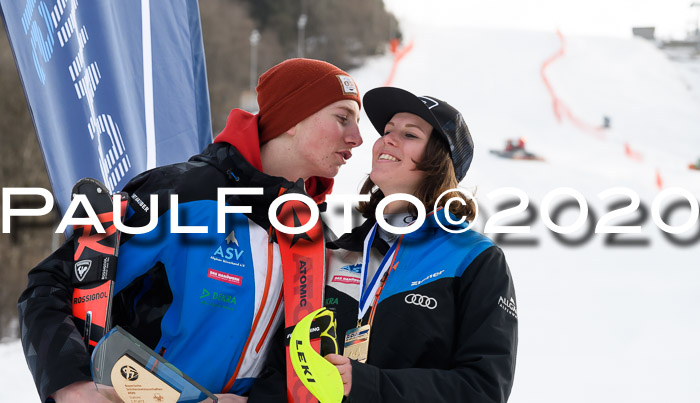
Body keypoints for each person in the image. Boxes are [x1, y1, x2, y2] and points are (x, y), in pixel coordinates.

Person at [17, 58, 363, 402]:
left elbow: (292, 351)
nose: (357, 138)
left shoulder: (310, 232)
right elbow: (50, 285)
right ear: (293, 120)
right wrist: (70, 384)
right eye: (342, 118)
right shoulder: (183, 193)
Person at [321, 86, 518, 402]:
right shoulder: (340, 251)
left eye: (410, 135)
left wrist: (368, 384)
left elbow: (483, 390)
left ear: (439, 161)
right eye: (387, 131)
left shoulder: (474, 258)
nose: (388, 139)